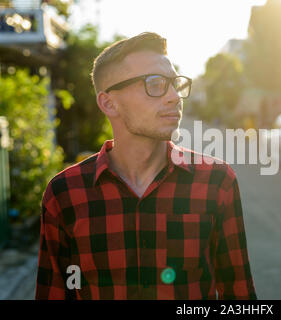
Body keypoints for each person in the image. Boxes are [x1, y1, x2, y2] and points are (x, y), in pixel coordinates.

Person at [35, 32, 257, 300]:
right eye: (155, 84)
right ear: (109, 103)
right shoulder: (65, 194)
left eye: (175, 84)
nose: (175, 97)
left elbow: (240, 294)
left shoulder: (216, 182)